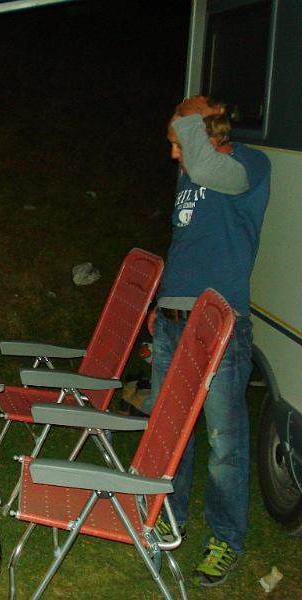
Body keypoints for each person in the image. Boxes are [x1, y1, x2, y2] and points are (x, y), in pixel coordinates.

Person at [145, 95, 270, 587]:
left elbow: (200, 163)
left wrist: (186, 123)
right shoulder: (192, 173)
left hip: (220, 323)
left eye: (177, 143)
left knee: (225, 439)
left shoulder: (248, 166)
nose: (174, 155)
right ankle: (166, 520)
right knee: (169, 428)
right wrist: (163, 302)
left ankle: (225, 538)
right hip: (177, 318)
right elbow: (184, 241)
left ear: (202, 132)